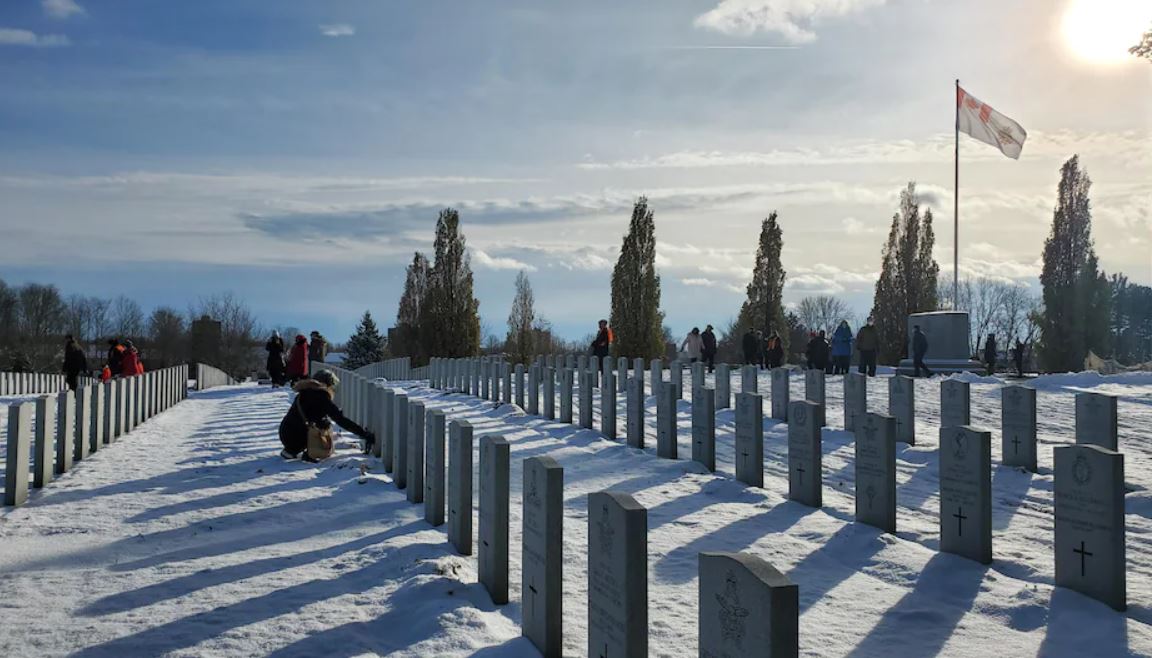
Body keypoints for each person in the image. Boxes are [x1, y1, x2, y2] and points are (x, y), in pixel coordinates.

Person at [278, 369, 374, 462]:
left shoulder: (305, 392)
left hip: (285, 432)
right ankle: (299, 449)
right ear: (327, 384)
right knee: (324, 426)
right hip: (296, 436)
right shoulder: (321, 396)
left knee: (322, 423)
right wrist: (363, 434)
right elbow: (340, 419)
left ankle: (291, 449)